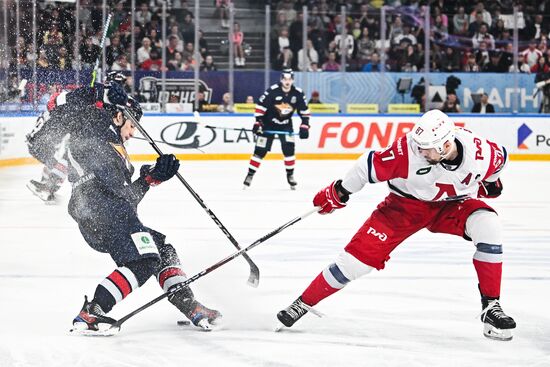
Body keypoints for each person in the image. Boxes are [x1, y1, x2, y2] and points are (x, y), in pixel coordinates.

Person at [277, 110, 516, 341]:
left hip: (451, 206)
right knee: (355, 262)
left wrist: (492, 183)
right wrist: (339, 191)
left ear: (445, 145)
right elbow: (366, 166)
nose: (419, 150)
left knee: (489, 225)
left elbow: (500, 162)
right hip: (403, 208)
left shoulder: (481, 153)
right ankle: (303, 303)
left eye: (426, 148)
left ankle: (491, 308)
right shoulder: (407, 151)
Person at [69, 97, 222, 334]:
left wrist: (149, 179)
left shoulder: (108, 144)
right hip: (104, 214)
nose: (132, 134)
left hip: (104, 214)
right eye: (132, 126)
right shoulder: (100, 142)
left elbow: (122, 198)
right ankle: (92, 311)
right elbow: (121, 199)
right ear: (118, 117)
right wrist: (150, 179)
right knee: (144, 259)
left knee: (161, 248)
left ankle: (190, 305)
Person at [26, 72, 128, 203]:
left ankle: (48, 186)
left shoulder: (96, 97)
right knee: (66, 158)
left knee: (64, 158)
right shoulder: (93, 97)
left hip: (51, 134)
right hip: (51, 136)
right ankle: (48, 186)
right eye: (121, 83)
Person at [243, 69, 310, 190]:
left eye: (289, 79)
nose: (287, 82)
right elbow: (260, 108)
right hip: (268, 125)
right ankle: (250, 175)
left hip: (285, 126)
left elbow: (304, 112)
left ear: (293, 80)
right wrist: (258, 123)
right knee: (259, 151)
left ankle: (290, 176)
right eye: (285, 79)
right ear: (281, 80)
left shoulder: (298, 93)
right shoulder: (272, 91)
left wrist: (304, 125)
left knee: (289, 150)